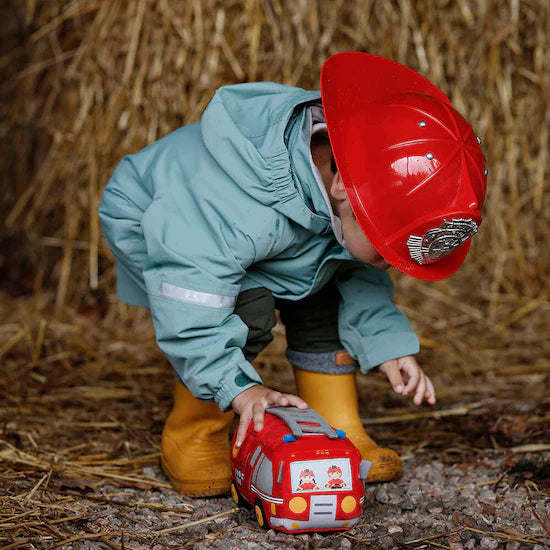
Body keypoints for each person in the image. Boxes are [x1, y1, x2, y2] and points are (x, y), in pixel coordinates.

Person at [99, 52, 487, 497]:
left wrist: (387, 347)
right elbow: (193, 300)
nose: (393, 262)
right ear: (344, 189)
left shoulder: (349, 176)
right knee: (245, 305)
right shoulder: (228, 207)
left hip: (275, 234)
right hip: (158, 221)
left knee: (332, 281)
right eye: (388, 248)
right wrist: (240, 388)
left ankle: (336, 425)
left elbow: (360, 276)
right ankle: (195, 431)